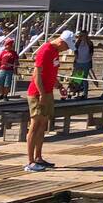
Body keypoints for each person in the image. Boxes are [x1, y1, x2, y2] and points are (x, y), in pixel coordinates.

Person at [25, 30, 76, 172]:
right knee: (34, 126)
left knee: (43, 125)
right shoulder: (45, 50)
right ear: (61, 42)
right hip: (37, 93)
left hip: (47, 92)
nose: (67, 49)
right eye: (66, 46)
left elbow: (51, 73)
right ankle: (30, 161)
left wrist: (59, 86)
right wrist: (41, 94)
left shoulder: (55, 52)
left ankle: (38, 157)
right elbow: (37, 74)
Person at [70, 32, 94, 99]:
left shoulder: (90, 43)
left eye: (82, 36)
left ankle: (85, 94)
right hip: (78, 62)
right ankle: (76, 93)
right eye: (80, 36)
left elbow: (91, 52)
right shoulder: (78, 43)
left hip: (86, 62)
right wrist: (75, 60)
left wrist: (89, 60)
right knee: (77, 78)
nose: (81, 37)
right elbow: (75, 52)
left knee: (84, 79)